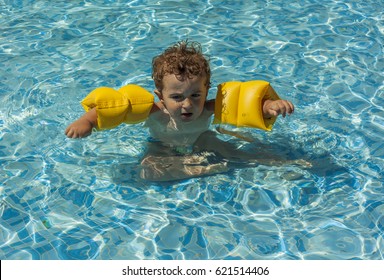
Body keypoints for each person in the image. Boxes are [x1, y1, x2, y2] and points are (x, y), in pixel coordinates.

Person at [65, 40, 300, 181]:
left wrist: (270, 107)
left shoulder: (209, 109)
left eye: (195, 95)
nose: (187, 104)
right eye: (176, 97)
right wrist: (86, 121)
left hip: (203, 139)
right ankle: (204, 165)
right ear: (161, 96)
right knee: (149, 172)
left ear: (207, 91)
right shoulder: (153, 111)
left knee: (240, 150)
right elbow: (114, 109)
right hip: (161, 146)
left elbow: (247, 108)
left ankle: (284, 164)